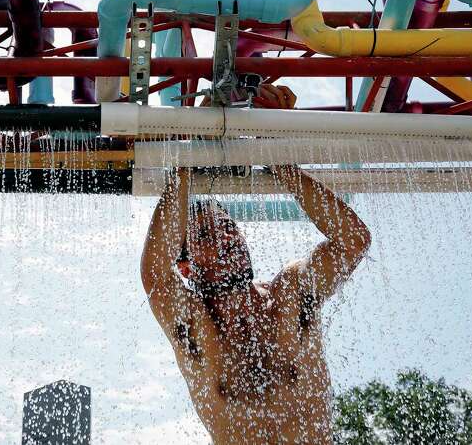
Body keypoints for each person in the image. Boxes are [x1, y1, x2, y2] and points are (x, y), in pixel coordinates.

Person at [141, 88, 371, 443]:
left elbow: (353, 240)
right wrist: (190, 154)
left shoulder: (290, 297)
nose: (226, 238)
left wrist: (276, 159)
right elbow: (155, 273)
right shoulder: (196, 325)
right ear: (186, 267)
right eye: (205, 235)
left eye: (229, 228)